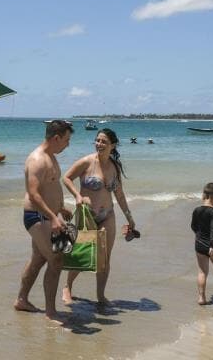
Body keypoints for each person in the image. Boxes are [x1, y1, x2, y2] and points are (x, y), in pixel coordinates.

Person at [61, 127, 135, 306]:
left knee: (104, 257)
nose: (99, 144)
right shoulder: (86, 162)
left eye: (104, 141)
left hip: (107, 215)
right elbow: (67, 178)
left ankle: (100, 296)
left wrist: (129, 218)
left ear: (113, 145)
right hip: (87, 216)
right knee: (82, 254)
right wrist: (78, 196)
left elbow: (119, 195)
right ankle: (67, 287)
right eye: (97, 140)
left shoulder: (114, 167)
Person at [14, 119, 74, 322]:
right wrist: (52, 217)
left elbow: (49, 190)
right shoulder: (37, 159)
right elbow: (34, 194)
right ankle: (50, 312)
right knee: (56, 260)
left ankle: (22, 300)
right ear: (56, 138)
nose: (68, 144)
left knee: (38, 260)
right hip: (37, 217)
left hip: (48, 215)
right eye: (66, 140)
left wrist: (61, 208)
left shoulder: (51, 157)